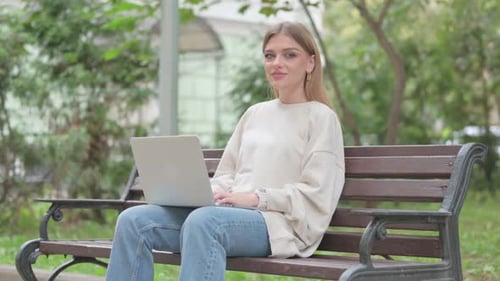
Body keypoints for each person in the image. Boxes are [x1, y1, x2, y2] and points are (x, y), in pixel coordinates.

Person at [105, 21, 345, 281]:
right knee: (133, 220)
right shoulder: (255, 114)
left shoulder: (322, 118)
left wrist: (255, 198)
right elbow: (227, 173)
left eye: (290, 55)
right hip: (224, 215)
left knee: (205, 222)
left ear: (310, 63)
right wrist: (212, 192)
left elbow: (316, 193)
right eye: (269, 55)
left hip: (279, 226)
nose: (277, 63)